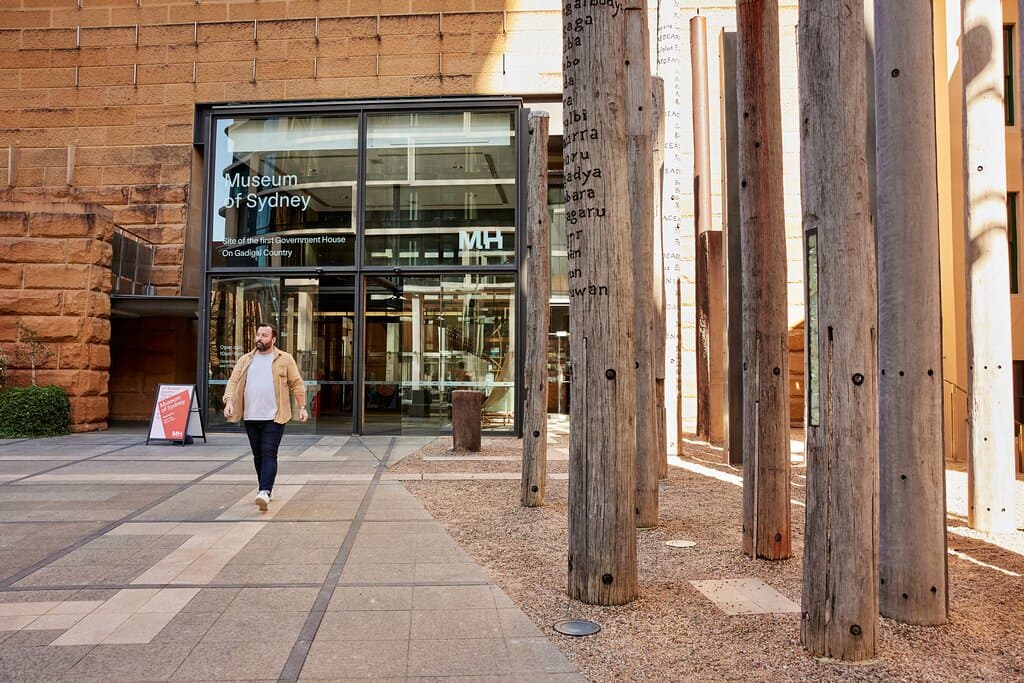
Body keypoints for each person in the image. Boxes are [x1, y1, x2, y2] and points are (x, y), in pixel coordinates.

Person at [222, 322, 308, 511]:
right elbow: (233, 382)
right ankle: (264, 488)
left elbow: (296, 383)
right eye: (258, 335)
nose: (259, 338)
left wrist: (302, 407)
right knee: (258, 455)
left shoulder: (284, 359)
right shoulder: (246, 360)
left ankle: (264, 491)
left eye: (264, 335)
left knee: (269, 452)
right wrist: (229, 402)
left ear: (273, 339)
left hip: (274, 417)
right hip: (251, 416)